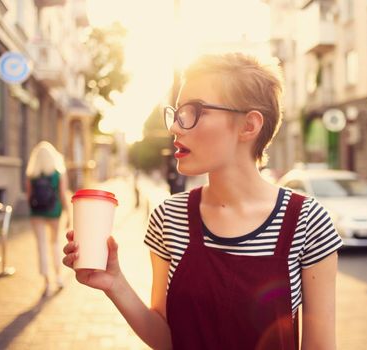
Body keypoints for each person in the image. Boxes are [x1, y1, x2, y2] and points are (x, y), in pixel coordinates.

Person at [63, 52, 342, 349]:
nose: (175, 127)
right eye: (178, 112)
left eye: (194, 111)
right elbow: (168, 339)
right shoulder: (168, 217)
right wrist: (115, 283)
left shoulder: (308, 222)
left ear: (249, 126)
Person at [26, 141, 70, 296]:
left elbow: (29, 196)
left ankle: (46, 282)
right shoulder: (58, 173)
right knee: (55, 243)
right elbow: (63, 195)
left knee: (41, 246)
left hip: (37, 212)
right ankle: (58, 277)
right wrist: (68, 213)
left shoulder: (33, 175)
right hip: (54, 211)